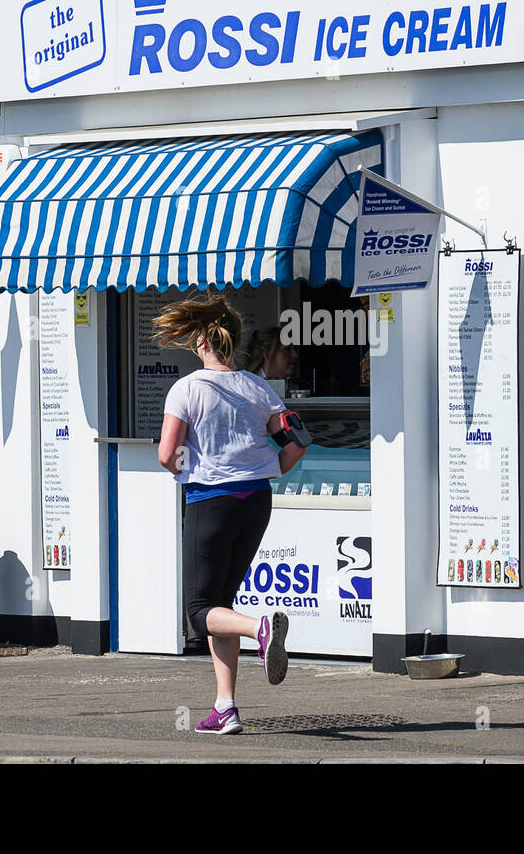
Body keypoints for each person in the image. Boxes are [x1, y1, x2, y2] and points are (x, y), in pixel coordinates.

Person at [154, 295, 308, 735]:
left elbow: (168, 454)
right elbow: (297, 441)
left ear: (202, 340)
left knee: (200, 611)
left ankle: (260, 628)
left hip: (211, 501)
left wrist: (192, 471)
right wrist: (265, 469)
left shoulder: (187, 389)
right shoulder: (259, 388)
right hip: (256, 500)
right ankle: (225, 708)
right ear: (234, 342)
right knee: (221, 602)